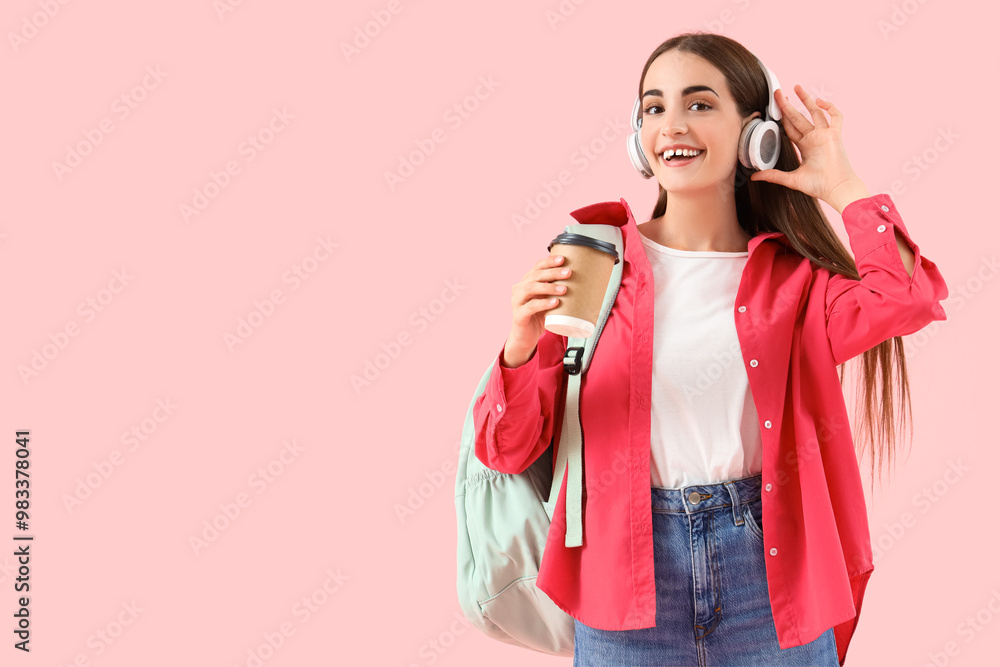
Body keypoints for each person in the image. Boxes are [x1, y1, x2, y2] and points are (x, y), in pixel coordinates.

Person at [472, 31, 949, 666]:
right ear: (637, 137)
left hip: (769, 575)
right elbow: (506, 448)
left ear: (758, 136)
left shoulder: (795, 284)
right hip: (626, 572)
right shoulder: (592, 262)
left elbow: (908, 297)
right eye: (653, 107)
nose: (672, 124)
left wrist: (842, 184)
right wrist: (520, 346)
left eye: (699, 104)